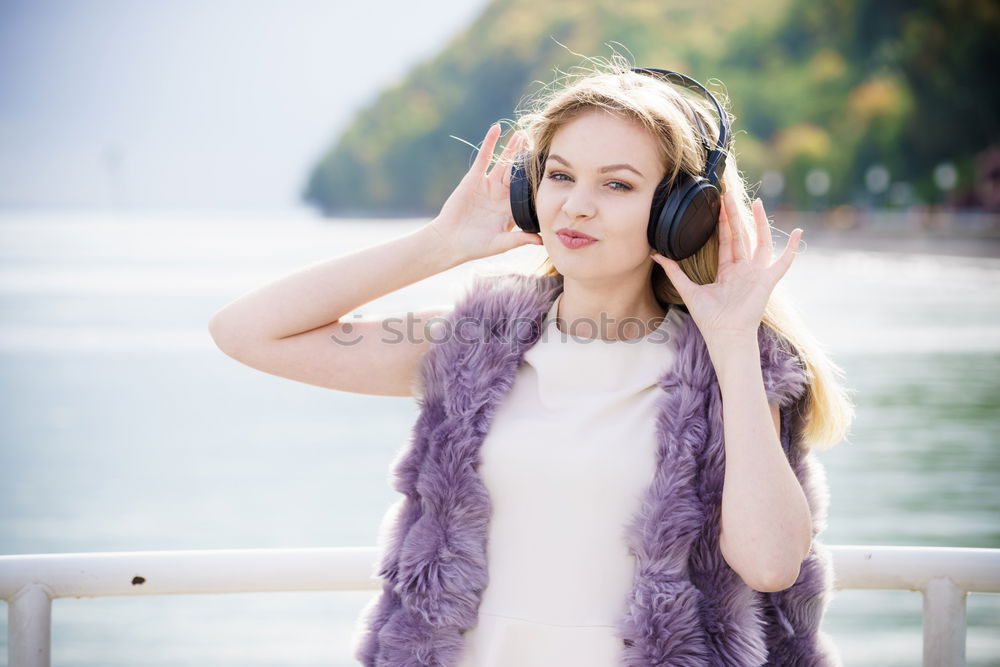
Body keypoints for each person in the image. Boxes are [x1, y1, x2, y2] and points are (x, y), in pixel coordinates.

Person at [209, 58, 854, 666]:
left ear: (678, 216)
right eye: (560, 175)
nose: (577, 204)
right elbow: (247, 333)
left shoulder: (728, 370)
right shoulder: (474, 346)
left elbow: (771, 564)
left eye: (618, 185)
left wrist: (734, 340)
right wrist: (439, 245)